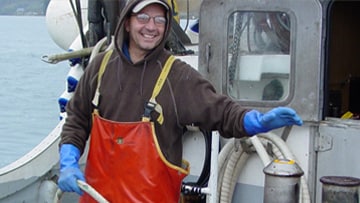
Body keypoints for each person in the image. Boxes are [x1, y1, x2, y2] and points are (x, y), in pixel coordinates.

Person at [57, 0, 303, 202]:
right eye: (143, 17)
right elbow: (76, 119)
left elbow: (220, 111)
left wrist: (254, 121)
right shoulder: (100, 68)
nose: (151, 26)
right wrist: (68, 160)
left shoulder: (176, 76)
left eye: (160, 20)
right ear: (127, 22)